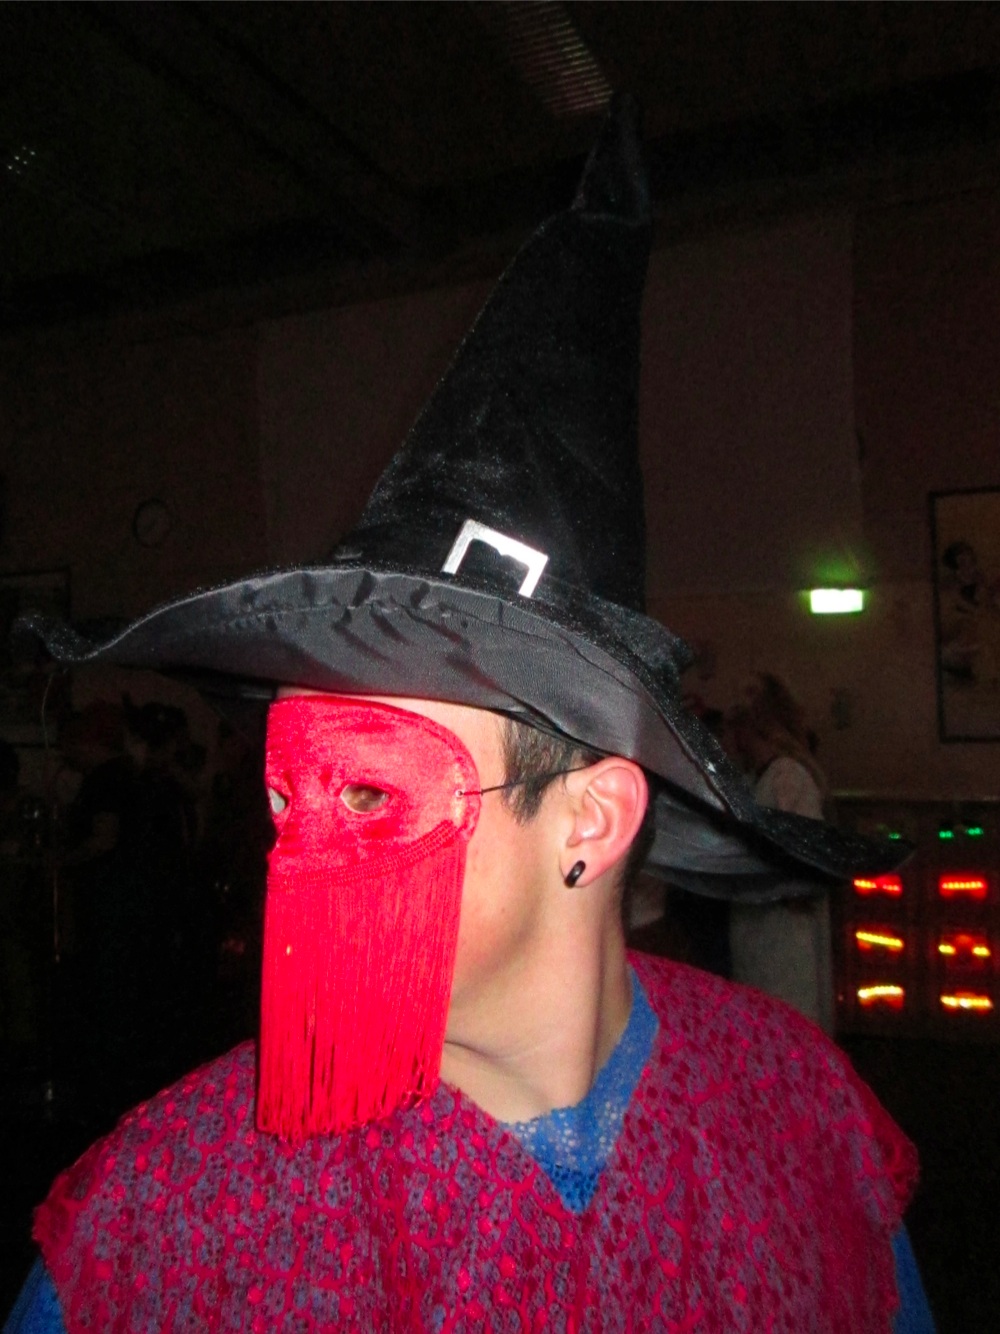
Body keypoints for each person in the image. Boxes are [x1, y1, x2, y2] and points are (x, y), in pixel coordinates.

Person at [7, 98, 933, 1332]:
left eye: (369, 791)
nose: (294, 864)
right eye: (283, 798)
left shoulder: (796, 1111)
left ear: (589, 820)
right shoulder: (168, 1217)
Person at [726, 674, 836, 1033]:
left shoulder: (787, 778)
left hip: (785, 940)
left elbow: (808, 865)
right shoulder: (757, 781)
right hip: (761, 934)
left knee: (787, 1029)